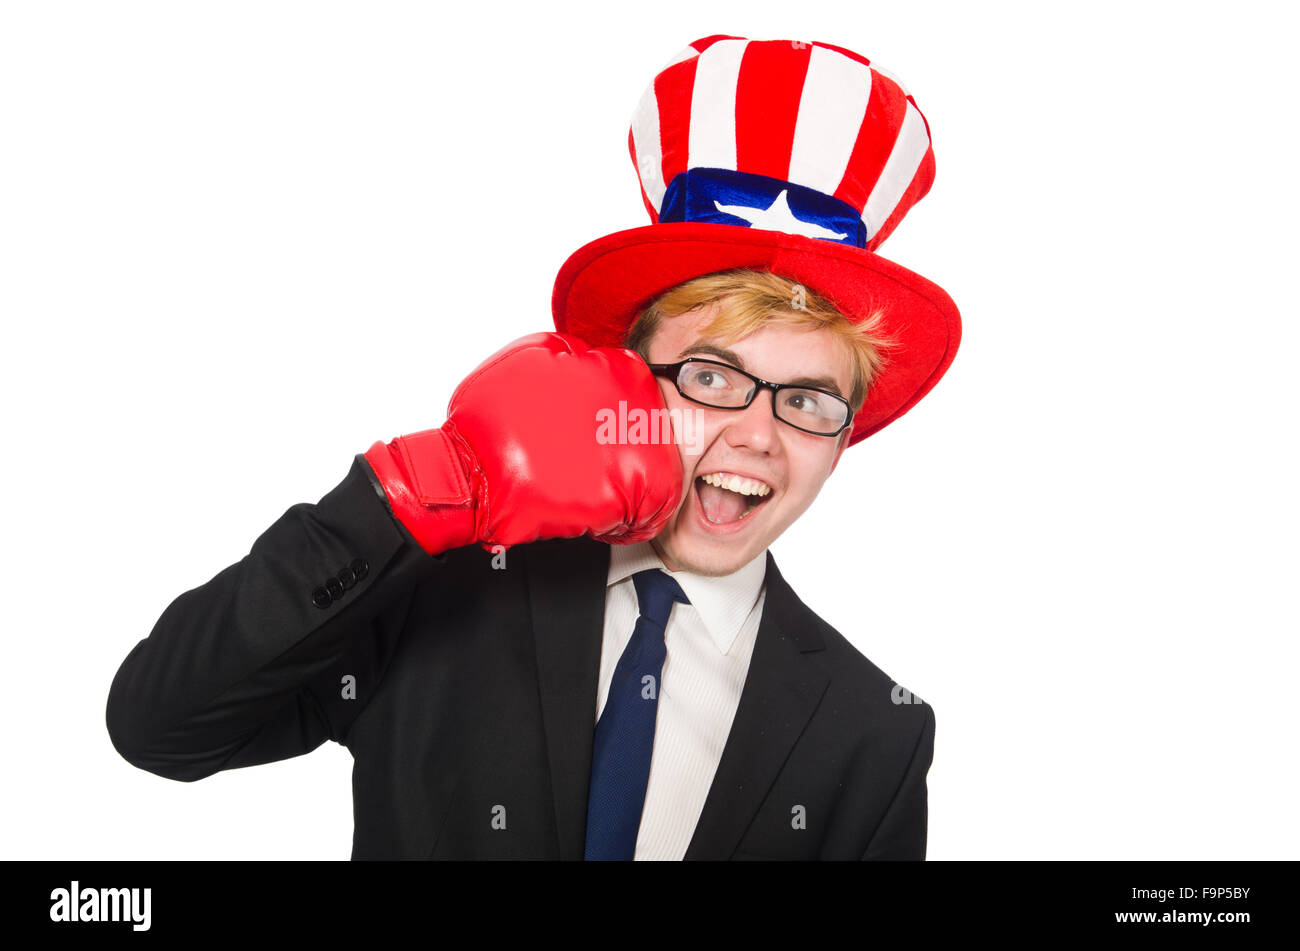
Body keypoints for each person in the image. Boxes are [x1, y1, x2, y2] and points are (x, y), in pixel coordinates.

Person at [106, 34, 961, 860]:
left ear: (842, 436)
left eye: (807, 400)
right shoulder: (442, 594)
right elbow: (161, 725)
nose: (757, 434)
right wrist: (412, 490)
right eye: (711, 376)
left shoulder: (874, 733)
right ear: (628, 382)